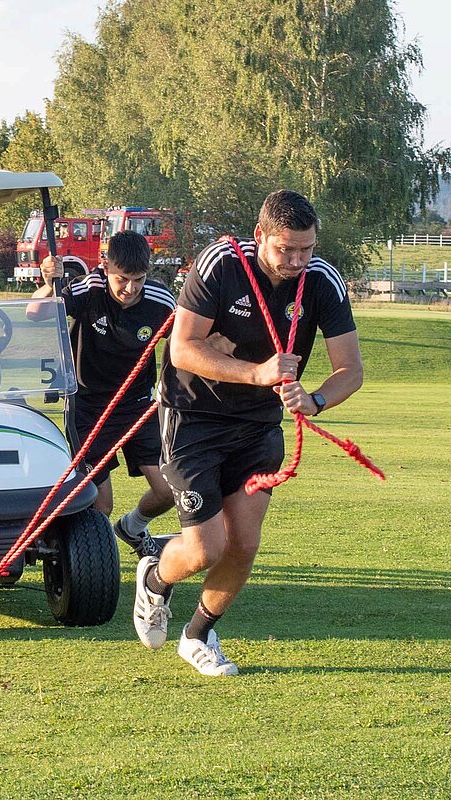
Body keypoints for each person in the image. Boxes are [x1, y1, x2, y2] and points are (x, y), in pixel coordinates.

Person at [133, 190, 363, 676]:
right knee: (205, 549)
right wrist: (257, 373)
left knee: (243, 544)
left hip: (258, 425)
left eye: (306, 249)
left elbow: (351, 370)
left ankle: (198, 635)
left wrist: (316, 399)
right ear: (260, 235)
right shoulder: (221, 263)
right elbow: (182, 349)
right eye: (286, 249)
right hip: (193, 415)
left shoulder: (322, 280)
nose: (297, 261)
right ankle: (154, 579)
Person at [28, 231, 176, 558]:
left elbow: (188, 340)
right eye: (122, 279)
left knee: (169, 490)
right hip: (89, 407)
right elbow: (35, 312)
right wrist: (49, 282)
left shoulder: (160, 300)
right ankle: (83, 562)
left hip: (137, 406)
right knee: (101, 504)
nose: (130, 289)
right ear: (106, 267)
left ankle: (133, 527)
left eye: (138, 280)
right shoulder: (88, 288)